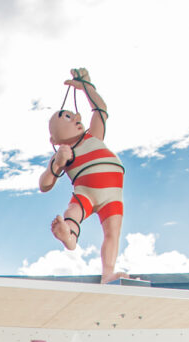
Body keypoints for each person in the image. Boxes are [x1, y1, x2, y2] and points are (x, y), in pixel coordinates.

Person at [39, 68, 127, 284]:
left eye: (75, 115)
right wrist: (58, 164)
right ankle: (68, 235)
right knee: (73, 211)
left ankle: (108, 273)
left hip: (113, 197)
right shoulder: (64, 152)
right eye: (67, 117)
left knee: (112, 233)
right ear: (54, 139)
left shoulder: (93, 137)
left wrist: (87, 86)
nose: (76, 118)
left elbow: (100, 110)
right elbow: (44, 184)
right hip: (86, 193)